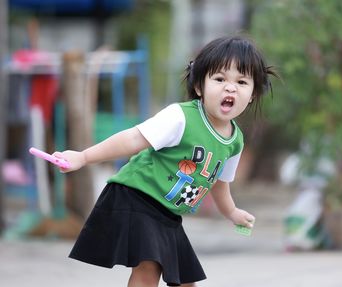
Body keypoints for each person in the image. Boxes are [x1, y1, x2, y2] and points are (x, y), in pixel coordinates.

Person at [54, 35, 277, 287]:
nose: (230, 87)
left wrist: (232, 212)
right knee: (149, 267)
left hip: (168, 213)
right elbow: (133, 139)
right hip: (137, 197)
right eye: (219, 79)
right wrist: (83, 157)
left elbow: (219, 183)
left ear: (252, 95)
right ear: (199, 87)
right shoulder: (180, 117)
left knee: (185, 280)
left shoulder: (234, 141)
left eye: (242, 81)